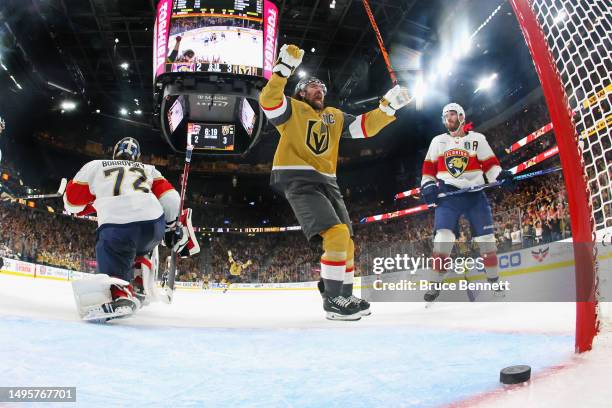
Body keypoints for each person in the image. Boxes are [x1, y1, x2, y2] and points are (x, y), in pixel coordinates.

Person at [259, 44, 411, 320]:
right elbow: (268, 100)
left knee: (347, 241)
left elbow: (365, 127)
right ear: (301, 93)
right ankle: (332, 301)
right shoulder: (291, 110)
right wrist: (282, 70)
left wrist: (388, 107)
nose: (320, 89)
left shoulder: (334, 116)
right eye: (312, 86)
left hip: (329, 182)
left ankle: (344, 293)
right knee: (337, 235)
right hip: (299, 178)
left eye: (322, 87)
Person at [65, 137, 196, 321]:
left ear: (114, 152)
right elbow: (172, 199)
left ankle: (121, 293)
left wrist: (89, 201)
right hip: (153, 224)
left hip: (118, 226)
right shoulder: (148, 169)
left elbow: (72, 203)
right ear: (137, 157)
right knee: (143, 244)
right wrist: (171, 227)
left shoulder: (96, 165)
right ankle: (141, 281)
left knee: (110, 247)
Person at [420, 103, 515, 302]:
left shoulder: (477, 139)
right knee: (443, 239)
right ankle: (435, 284)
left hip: (475, 196)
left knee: (487, 241)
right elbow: (428, 170)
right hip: (448, 197)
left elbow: (491, 166)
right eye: (445, 116)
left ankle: (494, 281)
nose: (448, 119)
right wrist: (428, 186)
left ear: (461, 117)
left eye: (452, 115)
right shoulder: (438, 142)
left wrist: (501, 175)